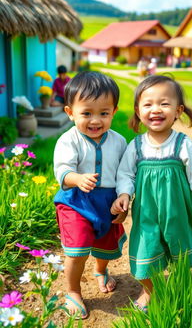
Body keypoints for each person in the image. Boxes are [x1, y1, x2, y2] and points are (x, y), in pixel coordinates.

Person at [111, 75, 192, 312]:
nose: (156, 109)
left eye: (164, 103)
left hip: (177, 209)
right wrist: (124, 195)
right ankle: (150, 289)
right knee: (144, 250)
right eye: (148, 104)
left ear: (178, 110)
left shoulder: (181, 143)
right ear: (138, 111)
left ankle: (181, 282)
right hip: (147, 212)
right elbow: (126, 175)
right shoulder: (136, 146)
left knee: (179, 246)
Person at [53, 71, 127, 319]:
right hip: (76, 201)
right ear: (70, 112)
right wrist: (77, 178)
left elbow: (126, 173)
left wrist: (125, 198)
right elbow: (62, 170)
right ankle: (73, 291)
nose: (95, 120)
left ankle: (100, 270)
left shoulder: (119, 141)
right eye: (86, 113)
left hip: (108, 203)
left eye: (103, 113)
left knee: (105, 243)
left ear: (114, 112)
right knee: (77, 248)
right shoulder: (68, 140)